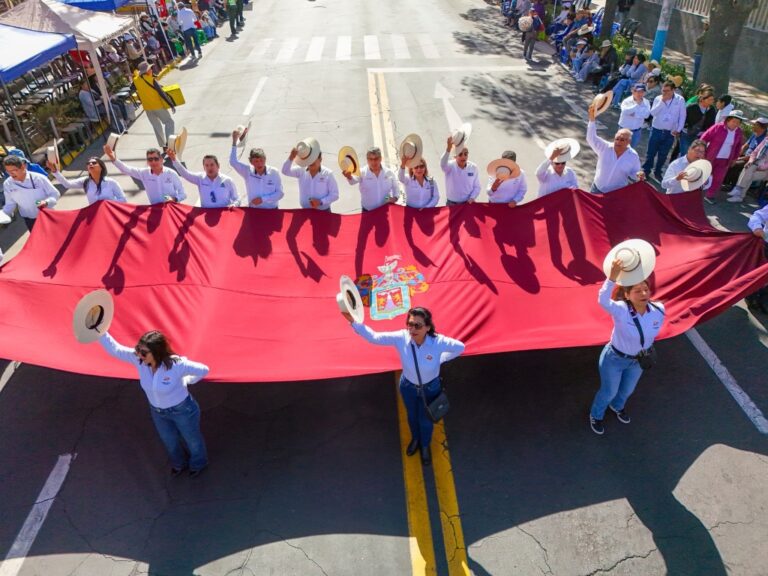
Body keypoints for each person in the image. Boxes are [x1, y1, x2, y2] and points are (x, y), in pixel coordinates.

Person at [342, 307, 464, 465]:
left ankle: (425, 446)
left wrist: (441, 359)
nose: (412, 329)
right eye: (410, 324)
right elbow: (374, 337)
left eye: (418, 326)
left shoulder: (438, 342)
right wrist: (354, 322)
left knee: (425, 420)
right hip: (408, 387)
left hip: (430, 388)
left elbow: (460, 347)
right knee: (412, 417)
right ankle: (415, 439)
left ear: (428, 327)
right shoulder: (402, 337)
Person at [99, 330, 210, 477]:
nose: (139, 355)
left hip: (183, 410)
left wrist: (187, 380)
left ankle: (198, 464)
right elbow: (116, 350)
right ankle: (179, 464)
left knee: (192, 440)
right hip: (158, 412)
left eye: (144, 353)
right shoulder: (140, 361)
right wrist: (100, 332)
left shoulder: (177, 365)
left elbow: (203, 370)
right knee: (169, 441)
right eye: (138, 350)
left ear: (157, 352)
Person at [589, 258, 665, 435]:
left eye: (646, 289)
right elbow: (603, 300)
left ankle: (617, 407)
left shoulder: (659, 310)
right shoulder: (621, 310)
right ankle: (596, 414)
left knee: (627, 390)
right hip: (614, 359)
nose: (644, 293)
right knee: (608, 392)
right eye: (637, 291)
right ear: (627, 295)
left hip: (637, 361)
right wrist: (612, 277)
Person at [586, 105, 645, 193]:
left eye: (622, 140)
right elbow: (591, 138)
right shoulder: (605, 148)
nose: (618, 142)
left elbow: (634, 173)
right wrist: (591, 120)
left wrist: (638, 175)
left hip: (616, 194)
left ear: (629, 142)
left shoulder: (633, 156)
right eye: (617, 139)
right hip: (597, 189)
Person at [104, 144, 186, 204]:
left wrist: (174, 199)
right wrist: (113, 159)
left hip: (172, 208)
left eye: (156, 159)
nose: (153, 162)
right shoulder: (144, 173)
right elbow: (126, 169)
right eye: (150, 159)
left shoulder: (171, 173)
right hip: (155, 211)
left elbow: (183, 194)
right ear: (147, 162)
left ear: (161, 159)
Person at [1, 155, 60, 231]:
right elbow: (10, 204)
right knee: (40, 242)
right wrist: (3, 214)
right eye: (8, 171)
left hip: (47, 215)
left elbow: (55, 194)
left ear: (22, 167)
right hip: (30, 221)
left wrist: (46, 202)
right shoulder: (8, 184)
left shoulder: (39, 178)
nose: (11, 174)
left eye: (14, 170)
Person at [642, 81, 686, 181]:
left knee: (663, 154)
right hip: (656, 130)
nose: (664, 93)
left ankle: (658, 171)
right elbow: (652, 113)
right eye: (663, 91)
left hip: (670, 132)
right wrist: (662, 102)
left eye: (667, 91)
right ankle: (646, 170)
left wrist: (678, 129)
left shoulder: (680, 100)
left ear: (673, 90)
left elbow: (682, 116)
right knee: (651, 152)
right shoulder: (658, 98)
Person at [229, 129, 283, 208]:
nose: (259, 163)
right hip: (254, 211)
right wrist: (234, 142)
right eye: (256, 161)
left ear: (265, 159)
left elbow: (280, 193)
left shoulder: (274, 172)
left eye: (261, 160)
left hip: (272, 211)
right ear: (251, 162)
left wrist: (263, 199)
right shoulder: (247, 171)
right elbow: (233, 162)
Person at [700, 110, 745, 203]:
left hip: (725, 159)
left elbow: (738, 147)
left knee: (718, 178)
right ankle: (694, 190)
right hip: (710, 156)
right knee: (704, 174)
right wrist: (701, 151)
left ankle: (710, 195)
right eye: (734, 121)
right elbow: (704, 138)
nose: (735, 124)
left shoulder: (739, 132)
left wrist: (734, 158)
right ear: (728, 120)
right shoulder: (718, 127)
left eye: (738, 122)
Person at [169, 150, 239, 207]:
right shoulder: (200, 178)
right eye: (207, 165)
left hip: (224, 214)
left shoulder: (227, 180)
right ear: (204, 167)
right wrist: (174, 160)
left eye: (212, 165)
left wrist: (234, 205)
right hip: (206, 214)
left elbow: (237, 199)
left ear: (218, 166)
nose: (209, 168)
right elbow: (185, 174)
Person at [133, 62, 176, 150]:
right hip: (157, 105)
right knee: (169, 122)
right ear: (147, 71)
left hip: (147, 108)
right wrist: (171, 104)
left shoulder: (136, 80)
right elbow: (162, 93)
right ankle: (169, 142)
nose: (152, 70)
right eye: (150, 69)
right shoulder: (151, 80)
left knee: (156, 127)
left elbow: (135, 87)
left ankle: (163, 146)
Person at [281, 145, 339, 210]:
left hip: (323, 212)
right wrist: (291, 157)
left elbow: (335, 195)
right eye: (309, 159)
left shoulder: (328, 173)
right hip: (305, 212)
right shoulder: (301, 170)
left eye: (314, 159)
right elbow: (285, 171)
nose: (311, 161)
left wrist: (321, 201)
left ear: (320, 159)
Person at [50, 156, 127, 204]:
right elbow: (67, 184)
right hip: (95, 217)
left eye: (94, 163)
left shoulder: (111, 182)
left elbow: (123, 200)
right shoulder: (85, 181)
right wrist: (55, 172)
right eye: (88, 163)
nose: (90, 164)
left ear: (101, 167)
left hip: (110, 214)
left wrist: (107, 204)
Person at [343, 146, 399, 211]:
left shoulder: (389, 172)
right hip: (368, 211)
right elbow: (352, 181)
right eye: (370, 159)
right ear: (367, 160)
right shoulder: (362, 172)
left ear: (380, 159)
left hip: (385, 210)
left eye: (376, 159)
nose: (373, 162)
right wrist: (349, 176)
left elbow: (396, 187)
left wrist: (394, 198)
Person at [727, 129, 768, 203]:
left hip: (765, 170)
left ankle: (738, 190)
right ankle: (739, 194)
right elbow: (755, 152)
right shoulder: (766, 140)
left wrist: (761, 167)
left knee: (748, 174)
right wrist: (750, 161)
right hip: (756, 163)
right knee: (748, 167)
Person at [440, 136, 480, 205]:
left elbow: (477, 186)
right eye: (460, 154)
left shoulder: (473, 167)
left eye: (465, 154)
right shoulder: (450, 166)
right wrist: (448, 149)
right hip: (452, 204)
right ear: (455, 156)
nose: (463, 157)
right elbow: (443, 164)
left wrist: (472, 198)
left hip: (467, 203)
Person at [679, 90, 716, 158]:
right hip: (687, 134)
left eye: (712, 100)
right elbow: (683, 119)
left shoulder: (712, 110)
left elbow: (712, 124)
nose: (712, 102)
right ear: (703, 99)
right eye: (709, 99)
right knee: (685, 154)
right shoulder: (692, 107)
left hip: (700, 137)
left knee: (695, 156)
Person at [618, 83, 651, 149]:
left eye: (642, 92)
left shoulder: (646, 102)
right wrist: (637, 105)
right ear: (633, 91)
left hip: (636, 131)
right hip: (624, 130)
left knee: (631, 150)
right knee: (620, 148)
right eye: (638, 91)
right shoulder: (627, 101)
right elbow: (625, 111)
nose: (640, 94)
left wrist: (634, 114)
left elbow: (647, 115)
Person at [692, 19, 709, 84]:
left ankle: (694, 82)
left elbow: (698, 41)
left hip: (700, 54)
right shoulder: (705, 32)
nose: (703, 25)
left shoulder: (706, 33)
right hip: (699, 54)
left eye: (705, 24)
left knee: (697, 69)